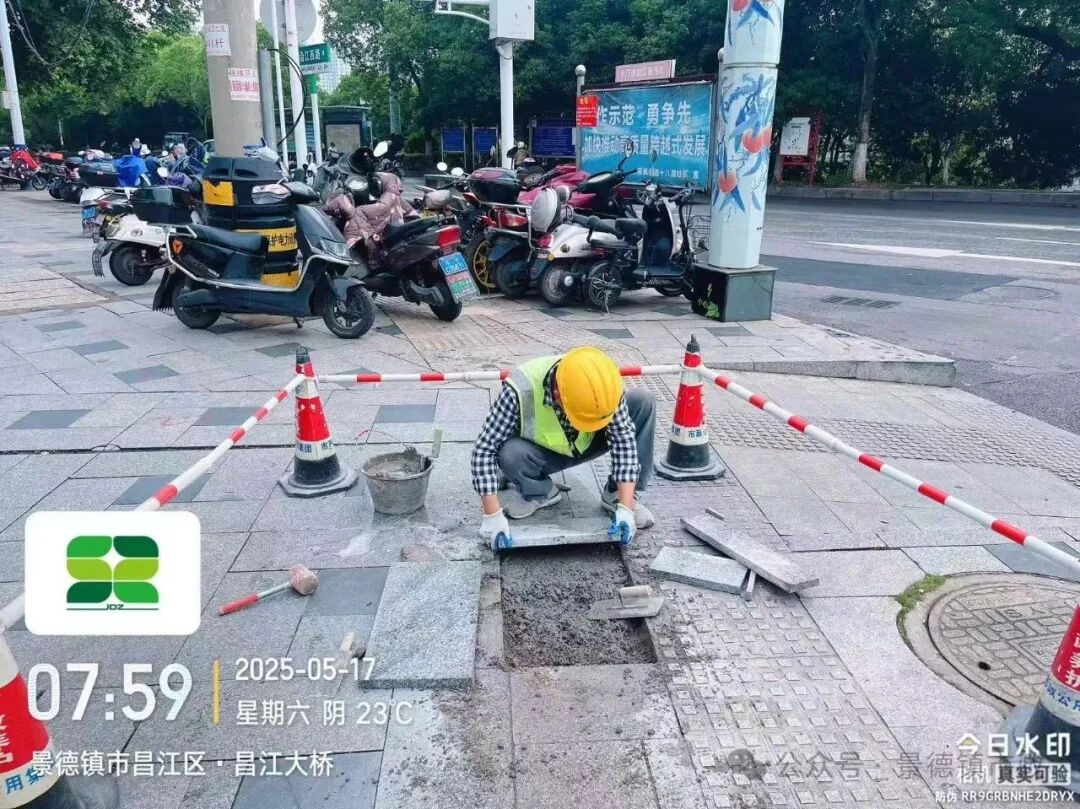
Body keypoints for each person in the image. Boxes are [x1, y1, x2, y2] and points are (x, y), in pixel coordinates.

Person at [471, 346, 655, 548]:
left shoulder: (603, 386)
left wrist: (625, 510)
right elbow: (484, 449)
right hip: (540, 453)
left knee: (642, 401)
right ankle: (540, 491)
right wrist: (492, 516)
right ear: (557, 395)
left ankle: (617, 495)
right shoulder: (520, 388)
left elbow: (623, 441)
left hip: (588, 444)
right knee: (509, 453)